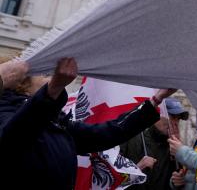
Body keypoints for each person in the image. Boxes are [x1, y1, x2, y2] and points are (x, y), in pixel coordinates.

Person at [0, 56, 176, 190]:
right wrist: (51, 92)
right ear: (21, 83)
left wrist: (154, 101)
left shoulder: (55, 119)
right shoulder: (6, 108)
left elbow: (104, 134)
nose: (50, 77)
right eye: (45, 74)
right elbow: (14, 137)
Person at [120, 97, 190, 189]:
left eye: (178, 119)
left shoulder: (175, 148)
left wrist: (176, 183)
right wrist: (137, 169)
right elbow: (111, 179)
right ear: (157, 114)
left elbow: (178, 183)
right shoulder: (131, 138)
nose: (176, 123)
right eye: (172, 117)